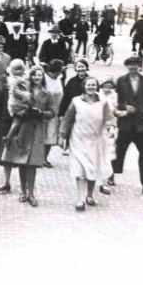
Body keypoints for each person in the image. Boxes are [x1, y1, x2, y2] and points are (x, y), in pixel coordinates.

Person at [0, 65, 55, 207]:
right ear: (30, 76)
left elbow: (52, 112)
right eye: (35, 75)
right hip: (22, 131)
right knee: (22, 161)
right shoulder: (24, 89)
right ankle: (23, 192)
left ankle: (31, 193)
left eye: (40, 75)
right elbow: (13, 103)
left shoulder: (47, 93)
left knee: (33, 164)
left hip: (36, 130)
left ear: (43, 77)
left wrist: (41, 113)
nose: (37, 77)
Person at [60, 76, 114, 211]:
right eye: (88, 85)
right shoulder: (76, 101)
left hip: (96, 141)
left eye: (93, 85)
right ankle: (80, 199)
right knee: (79, 171)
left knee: (92, 169)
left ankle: (90, 195)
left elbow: (109, 119)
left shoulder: (103, 102)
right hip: (78, 140)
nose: (91, 87)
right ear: (84, 86)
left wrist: (109, 130)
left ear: (97, 87)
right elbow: (67, 119)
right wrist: (62, 136)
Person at [107, 56, 143, 197]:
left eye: (136, 65)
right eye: (130, 65)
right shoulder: (121, 80)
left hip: (141, 124)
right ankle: (110, 176)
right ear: (126, 66)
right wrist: (124, 107)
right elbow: (117, 100)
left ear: (139, 66)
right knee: (118, 152)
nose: (133, 67)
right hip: (125, 124)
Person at [1, 59, 34, 149]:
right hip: (16, 103)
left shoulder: (22, 77)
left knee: (20, 119)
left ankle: (13, 137)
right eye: (16, 69)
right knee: (21, 118)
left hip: (20, 102)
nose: (19, 71)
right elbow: (15, 91)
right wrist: (26, 94)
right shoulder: (12, 79)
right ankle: (16, 137)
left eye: (20, 69)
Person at [41, 59, 65, 167]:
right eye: (62, 67)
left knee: (50, 137)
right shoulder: (44, 78)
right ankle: (38, 158)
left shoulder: (59, 79)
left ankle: (44, 158)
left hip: (55, 112)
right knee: (41, 135)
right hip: (44, 111)